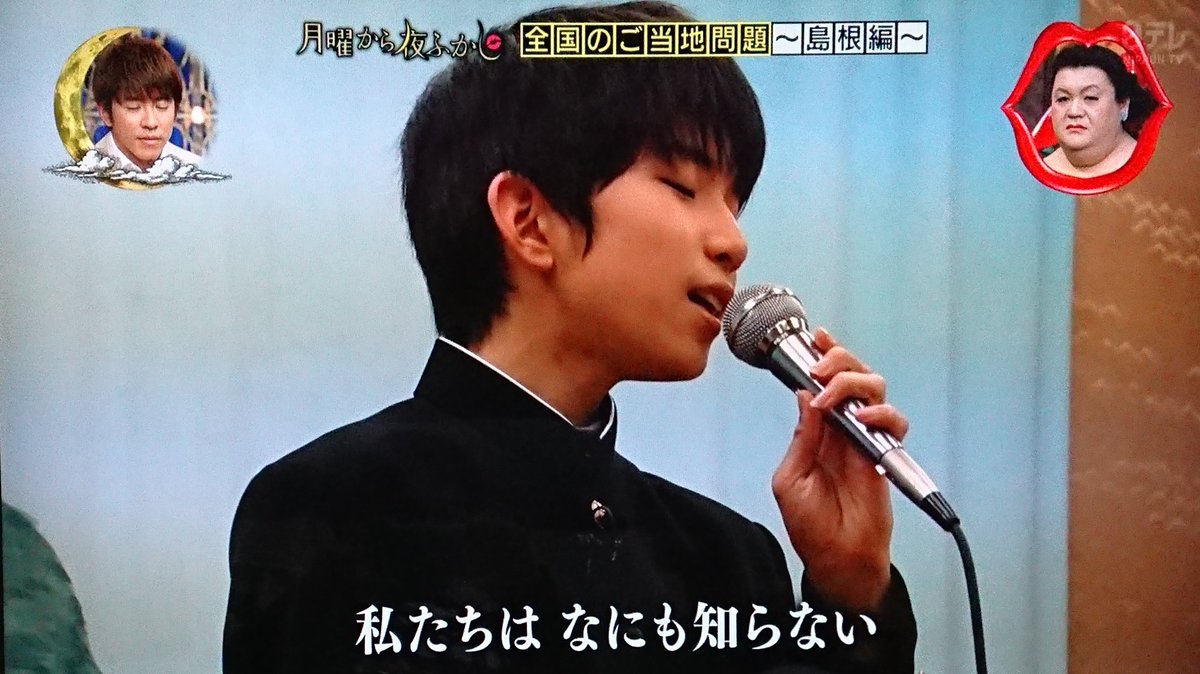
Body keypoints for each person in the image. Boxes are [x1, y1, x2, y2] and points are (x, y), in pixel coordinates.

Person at [223, 3, 918, 672]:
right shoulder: (336, 509)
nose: (733, 242)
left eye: (735, 204)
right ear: (529, 220)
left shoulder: (725, 559)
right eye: (682, 185)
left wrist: (851, 594)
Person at [1042, 44, 1156, 178]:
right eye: (1063, 99)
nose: (1074, 112)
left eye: (1090, 98)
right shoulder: (1037, 165)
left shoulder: (1153, 168)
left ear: (1123, 104)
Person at [90, 34, 200, 171]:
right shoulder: (85, 174)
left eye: (161, 106)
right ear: (106, 113)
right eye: (134, 107)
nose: (151, 123)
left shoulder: (196, 170)